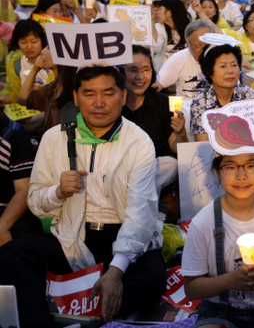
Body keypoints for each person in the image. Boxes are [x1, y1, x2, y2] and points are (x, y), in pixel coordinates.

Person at [0, 66, 166, 326]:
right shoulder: (54, 137)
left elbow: (140, 214)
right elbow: (35, 202)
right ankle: (48, 317)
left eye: (108, 93)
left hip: (121, 238)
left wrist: (116, 271)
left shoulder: (139, 141)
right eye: (89, 94)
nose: (99, 103)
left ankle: (68, 303)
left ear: (123, 96)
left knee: (150, 281)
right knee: (10, 257)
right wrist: (57, 192)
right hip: (70, 237)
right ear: (76, 98)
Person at [182, 147, 254, 328]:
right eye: (230, 167)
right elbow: (191, 289)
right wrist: (229, 281)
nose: (242, 175)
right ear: (217, 171)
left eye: (251, 165)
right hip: (218, 312)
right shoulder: (203, 222)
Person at [122, 45, 188, 193]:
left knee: (171, 164)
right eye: (133, 70)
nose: (140, 77)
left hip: (152, 169)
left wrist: (181, 132)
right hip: (118, 166)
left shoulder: (163, 103)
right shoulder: (113, 102)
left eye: (146, 70)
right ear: (121, 72)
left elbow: (176, 148)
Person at [191, 44, 254, 141]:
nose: (230, 71)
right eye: (223, 66)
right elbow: (203, 144)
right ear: (209, 72)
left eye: (234, 65)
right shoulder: (200, 102)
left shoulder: (250, 96)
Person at [0, 113, 40, 247]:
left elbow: (23, 189)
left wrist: (2, 226)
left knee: (25, 229)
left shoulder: (12, 133)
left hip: (5, 210)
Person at [17, 47, 76, 131]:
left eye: (49, 48)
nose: (42, 51)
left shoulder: (76, 89)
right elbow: (23, 99)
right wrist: (34, 69)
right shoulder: (53, 87)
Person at [155, 20, 214, 100]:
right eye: (197, 46)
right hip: (185, 110)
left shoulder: (221, 59)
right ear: (188, 45)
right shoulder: (178, 59)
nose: (203, 50)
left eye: (207, 45)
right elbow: (158, 84)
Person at [0, 19, 53, 105]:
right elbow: (13, 91)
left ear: (42, 41)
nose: (29, 47)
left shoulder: (52, 61)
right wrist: (4, 98)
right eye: (23, 42)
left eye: (34, 42)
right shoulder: (15, 62)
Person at [152, 0, 190, 71]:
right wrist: (152, 21)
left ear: (169, 12)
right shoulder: (159, 27)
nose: (157, 12)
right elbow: (156, 47)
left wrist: (200, 12)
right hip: (163, 72)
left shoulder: (188, 29)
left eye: (160, 9)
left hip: (184, 71)